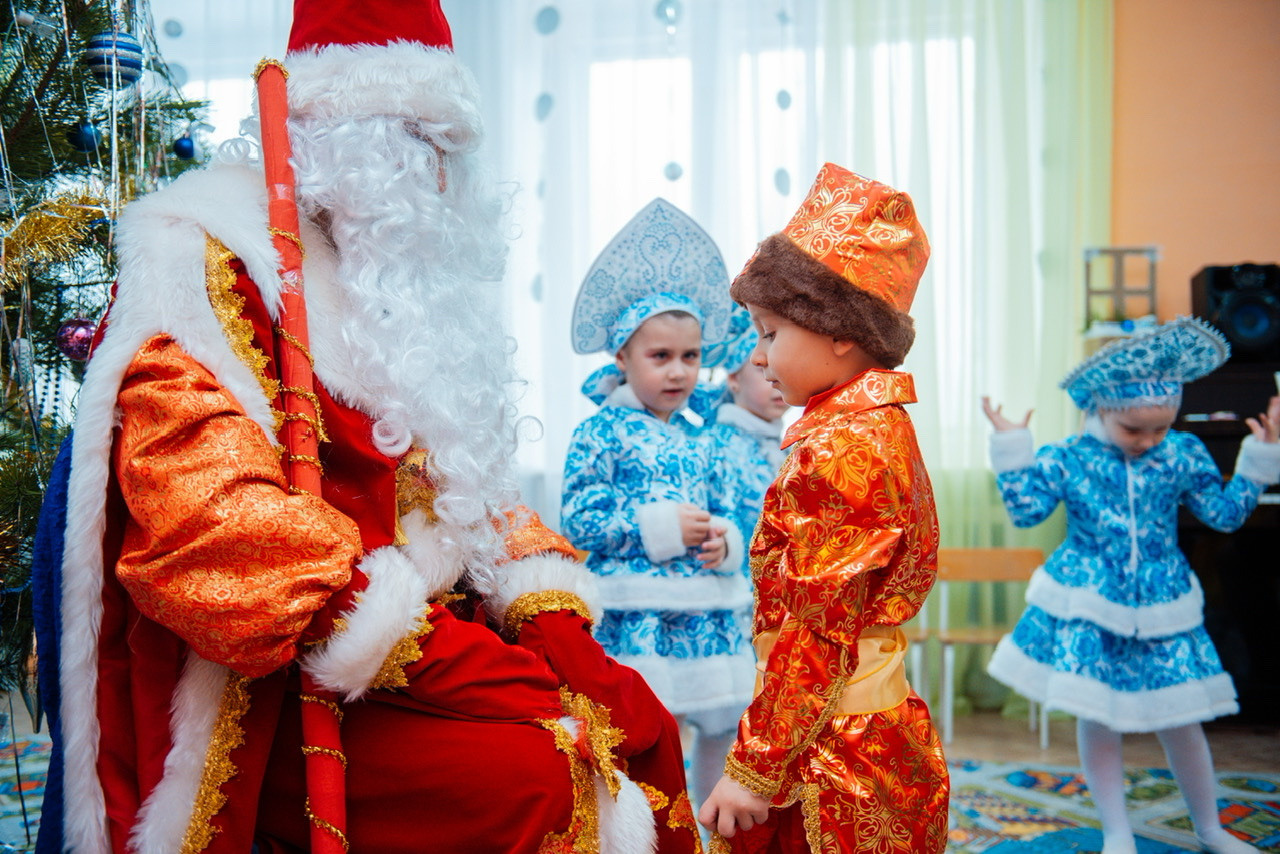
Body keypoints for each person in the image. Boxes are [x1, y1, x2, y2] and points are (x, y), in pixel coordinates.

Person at [33, 2, 698, 852]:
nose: (443, 176)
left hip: (430, 640)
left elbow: (467, 489)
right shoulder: (210, 269)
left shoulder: (406, 282)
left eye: (452, 146)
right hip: (286, 675)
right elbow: (209, 524)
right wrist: (446, 658)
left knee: (641, 728)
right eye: (422, 141)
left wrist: (555, 633)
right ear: (344, 133)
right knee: (536, 773)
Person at [697, 163, 950, 853]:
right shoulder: (870, 425)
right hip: (841, 727)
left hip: (829, 747)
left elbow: (817, 631)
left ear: (837, 329)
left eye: (770, 333)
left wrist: (753, 769)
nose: (760, 356)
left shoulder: (843, 449)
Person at [982, 316, 1280, 854]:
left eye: (1160, 428)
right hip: (1091, 603)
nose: (1148, 441)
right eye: (1132, 429)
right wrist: (1012, 446)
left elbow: (1225, 514)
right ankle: (1117, 833)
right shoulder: (1068, 456)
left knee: (1182, 718)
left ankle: (1211, 829)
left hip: (1165, 604)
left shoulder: (1182, 452)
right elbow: (1026, 512)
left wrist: (1258, 461)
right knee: (1099, 717)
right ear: (1099, 410)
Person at [561, 198, 757, 811]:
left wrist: (725, 541)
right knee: (645, 731)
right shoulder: (599, 432)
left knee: (722, 725)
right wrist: (657, 526)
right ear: (622, 357)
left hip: (705, 611)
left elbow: (729, 509)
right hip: (637, 614)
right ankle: (644, 832)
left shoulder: (705, 436)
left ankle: (711, 823)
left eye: (690, 357)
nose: (678, 372)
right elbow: (579, 520)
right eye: (660, 356)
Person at [702, 305, 790, 541]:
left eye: (783, 365)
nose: (775, 376)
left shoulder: (790, 448)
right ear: (733, 379)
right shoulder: (714, 446)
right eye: (762, 367)